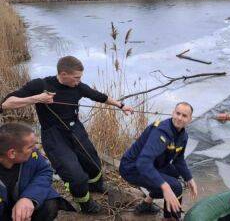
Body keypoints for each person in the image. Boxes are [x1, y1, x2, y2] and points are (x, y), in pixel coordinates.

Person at [1, 56, 134, 214]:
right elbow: (6, 104)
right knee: (74, 174)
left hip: (75, 129)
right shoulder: (41, 85)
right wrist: (37, 98)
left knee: (92, 161)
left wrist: (121, 105)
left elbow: (100, 96)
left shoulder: (78, 87)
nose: (78, 81)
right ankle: (85, 204)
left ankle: (96, 185)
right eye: (76, 77)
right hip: (53, 134)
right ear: (63, 74)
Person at [119, 102, 198, 221]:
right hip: (131, 168)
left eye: (184, 116)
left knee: (175, 173)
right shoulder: (162, 132)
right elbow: (143, 163)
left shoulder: (183, 136)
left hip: (152, 164)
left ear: (190, 119)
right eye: (177, 113)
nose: (180, 118)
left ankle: (147, 203)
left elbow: (178, 160)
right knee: (175, 187)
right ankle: (170, 218)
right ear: (173, 113)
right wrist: (165, 187)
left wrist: (189, 178)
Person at [0, 122, 73, 221]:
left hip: (22, 199)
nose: (35, 149)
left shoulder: (32, 155)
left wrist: (29, 198)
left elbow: (45, 171)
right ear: (12, 153)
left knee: (50, 204)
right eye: (30, 147)